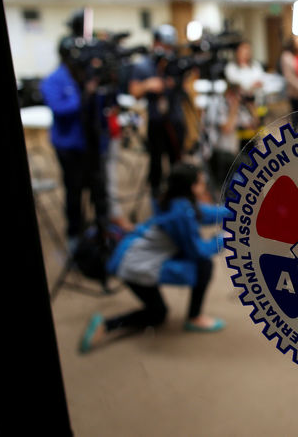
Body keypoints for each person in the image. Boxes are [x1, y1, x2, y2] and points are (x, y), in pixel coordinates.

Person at [78, 163, 229, 354]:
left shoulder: (177, 202)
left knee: (158, 312)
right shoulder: (181, 213)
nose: (204, 185)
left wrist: (243, 210)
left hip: (132, 257)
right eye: (201, 182)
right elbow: (197, 251)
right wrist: (225, 239)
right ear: (191, 186)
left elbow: (209, 214)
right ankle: (194, 318)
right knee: (201, 267)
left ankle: (106, 325)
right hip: (136, 265)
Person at [41, 36, 110, 251]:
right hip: (69, 147)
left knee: (99, 189)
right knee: (74, 190)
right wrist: (84, 93)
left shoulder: (87, 76)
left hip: (92, 144)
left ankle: (103, 232)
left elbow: (100, 107)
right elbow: (61, 110)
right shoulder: (53, 80)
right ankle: (74, 234)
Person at [129, 25, 187, 199]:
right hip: (156, 121)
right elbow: (134, 91)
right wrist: (148, 84)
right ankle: (156, 199)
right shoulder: (143, 65)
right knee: (156, 162)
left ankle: (178, 198)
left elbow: (183, 88)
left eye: (170, 46)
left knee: (176, 161)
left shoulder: (175, 63)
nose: (167, 50)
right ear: (155, 43)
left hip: (175, 119)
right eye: (164, 45)